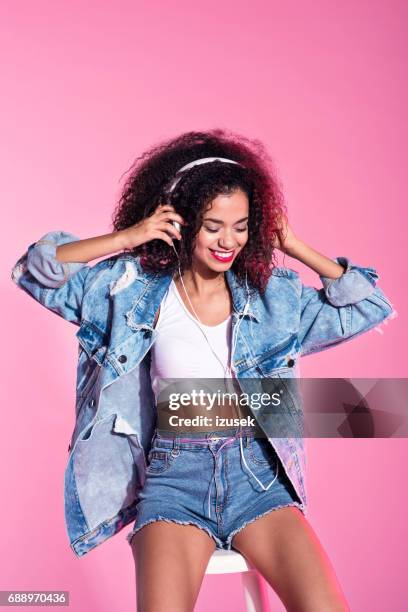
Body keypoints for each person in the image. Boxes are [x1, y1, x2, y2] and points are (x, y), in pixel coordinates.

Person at [11, 129, 395, 611]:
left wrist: (295, 245)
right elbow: (35, 271)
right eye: (214, 225)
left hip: (258, 478)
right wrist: (128, 237)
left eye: (241, 226)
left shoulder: (273, 296)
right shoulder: (133, 290)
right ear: (183, 220)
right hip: (175, 481)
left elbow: (368, 306)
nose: (228, 241)